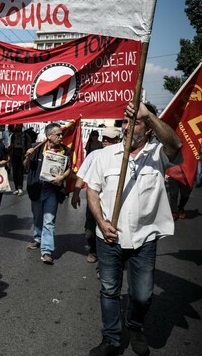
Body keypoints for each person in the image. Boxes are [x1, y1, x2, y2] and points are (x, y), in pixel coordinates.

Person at [84, 101, 182, 356]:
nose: (126, 126)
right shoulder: (105, 155)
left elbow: (176, 146)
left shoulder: (158, 154)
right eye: (125, 121)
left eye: (134, 121)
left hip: (144, 239)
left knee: (142, 295)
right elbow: (92, 191)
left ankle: (135, 325)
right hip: (108, 239)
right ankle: (112, 338)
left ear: (148, 128)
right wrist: (101, 222)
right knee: (109, 290)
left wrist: (148, 114)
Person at [24, 122, 72, 265]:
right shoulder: (36, 148)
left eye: (61, 134)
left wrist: (62, 178)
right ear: (49, 136)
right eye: (58, 134)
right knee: (38, 217)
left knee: (49, 221)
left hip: (52, 191)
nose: (61, 137)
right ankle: (38, 238)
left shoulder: (65, 151)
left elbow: (69, 169)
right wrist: (27, 156)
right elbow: (25, 167)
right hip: (36, 189)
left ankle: (47, 251)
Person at [71, 127, 122, 263]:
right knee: (90, 231)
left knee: (110, 230)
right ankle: (93, 251)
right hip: (94, 200)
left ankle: (105, 262)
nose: (106, 142)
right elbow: (82, 175)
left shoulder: (124, 157)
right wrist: (76, 194)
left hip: (114, 202)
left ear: (118, 140)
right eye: (104, 139)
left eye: (110, 140)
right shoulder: (94, 155)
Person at [8, 124, 29, 196]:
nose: (19, 127)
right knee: (14, 173)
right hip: (14, 155)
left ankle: (20, 187)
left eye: (20, 126)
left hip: (22, 155)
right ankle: (16, 188)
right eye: (17, 126)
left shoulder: (26, 135)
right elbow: (9, 145)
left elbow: (28, 145)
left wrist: (27, 155)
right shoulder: (12, 135)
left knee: (20, 172)